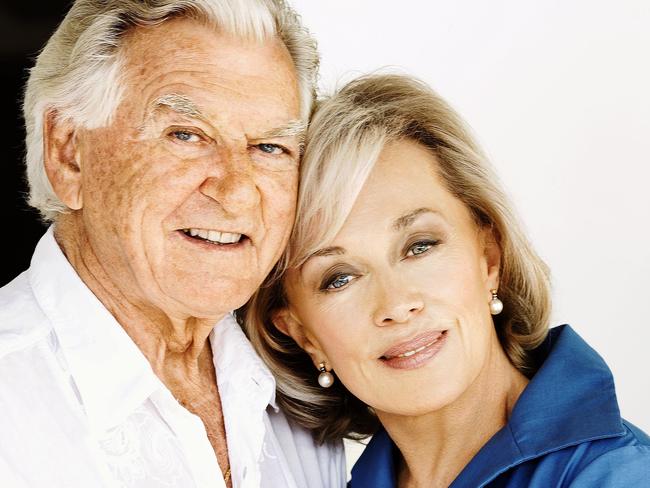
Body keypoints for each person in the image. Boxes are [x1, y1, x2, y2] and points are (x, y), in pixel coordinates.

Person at [242, 74, 650, 487]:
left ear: (489, 257)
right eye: (340, 278)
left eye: (419, 246)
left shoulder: (617, 475)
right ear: (303, 334)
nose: (396, 305)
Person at [0, 1, 346, 487]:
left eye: (270, 147)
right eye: (186, 135)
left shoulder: (299, 394)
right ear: (68, 153)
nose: (236, 191)